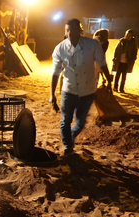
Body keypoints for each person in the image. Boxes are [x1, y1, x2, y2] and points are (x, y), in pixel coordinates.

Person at [49, 19, 112, 156]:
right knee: (65, 120)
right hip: (68, 90)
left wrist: (109, 80)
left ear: (80, 31)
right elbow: (55, 72)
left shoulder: (92, 45)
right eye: (67, 30)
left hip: (87, 91)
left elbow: (102, 63)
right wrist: (52, 94)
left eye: (73, 30)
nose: (70, 33)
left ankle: (70, 136)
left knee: (80, 122)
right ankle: (68, 147)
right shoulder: (60, 48)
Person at [112, 29, 138, 93]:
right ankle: (115, 87)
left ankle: (121, 88)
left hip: (127, 62)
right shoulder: (121, 41)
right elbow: (117, 49)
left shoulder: (133, 43)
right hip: (119, 60)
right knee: (118, 74)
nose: (128, 36)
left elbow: (135, 52)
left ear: (132, 36)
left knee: (124, 76)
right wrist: (115, 57)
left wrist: (133, 59)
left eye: (130, 35)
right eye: (127, 35)